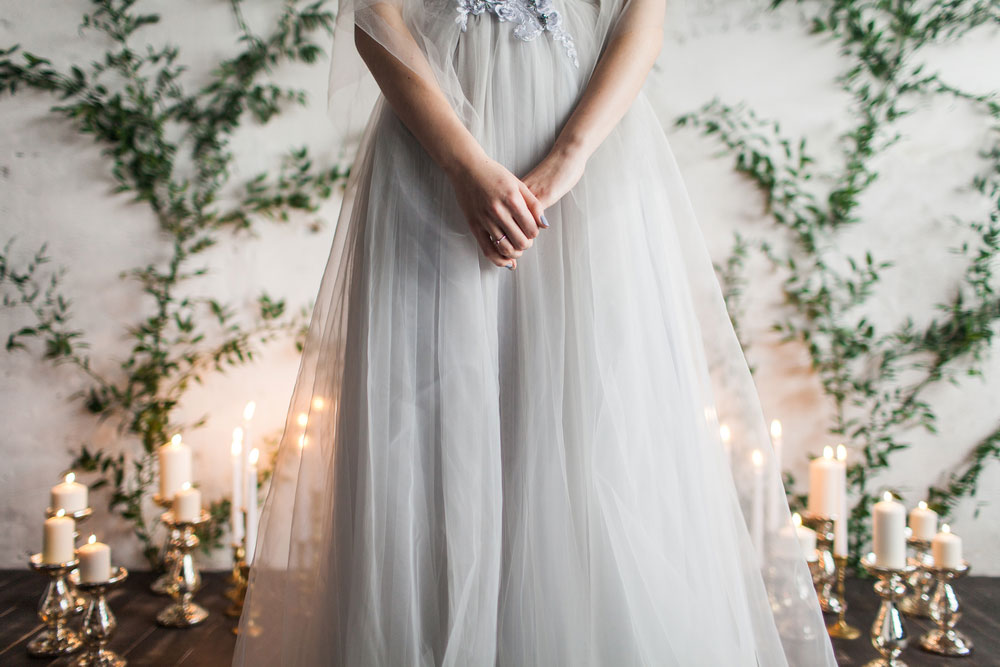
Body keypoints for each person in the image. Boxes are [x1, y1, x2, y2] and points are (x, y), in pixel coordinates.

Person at [233, 0, 839, 663]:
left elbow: (644, 15)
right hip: (435, 150)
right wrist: (463, 167)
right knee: (433, 429)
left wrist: (569, 159)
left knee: (591, 423)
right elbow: (375, 17)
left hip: (590, 153)